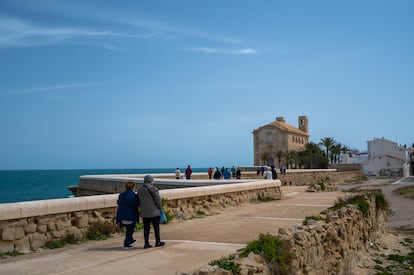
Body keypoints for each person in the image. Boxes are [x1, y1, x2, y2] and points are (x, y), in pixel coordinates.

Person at [137, 175, 165, 249]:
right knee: (156, 228)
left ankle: (146, 243)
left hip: (145, 212)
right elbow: (157, 199)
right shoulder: (153, 189)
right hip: (154, 212)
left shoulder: (140, 190)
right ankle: (157, 242)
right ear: (151, 181)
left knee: (146, 228)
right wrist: (160, 207)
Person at [116, 181, 139, 249]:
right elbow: (136, 204)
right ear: (133, 187)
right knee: (130, 230)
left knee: (128, 229)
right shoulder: (133, 195)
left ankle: (131, 240)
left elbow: (118, 202)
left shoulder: (121, 194)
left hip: (121, 216)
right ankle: (126, 244)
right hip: (130, 216)